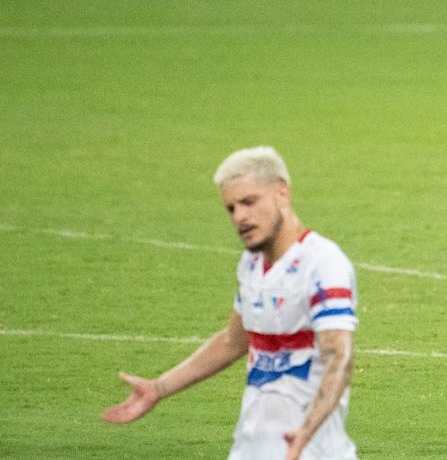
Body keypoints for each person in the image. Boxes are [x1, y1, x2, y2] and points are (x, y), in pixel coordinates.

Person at [103, 146, 358, 460]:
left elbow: (339, 358)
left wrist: (305, 432)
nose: (240, 217)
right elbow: (232, 341)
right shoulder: (251, 264)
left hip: (310, 451)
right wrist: (159, 388)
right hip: (250, 447)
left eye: (249, 202)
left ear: (282, 193)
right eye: (231, 208)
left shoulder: (322, 263)